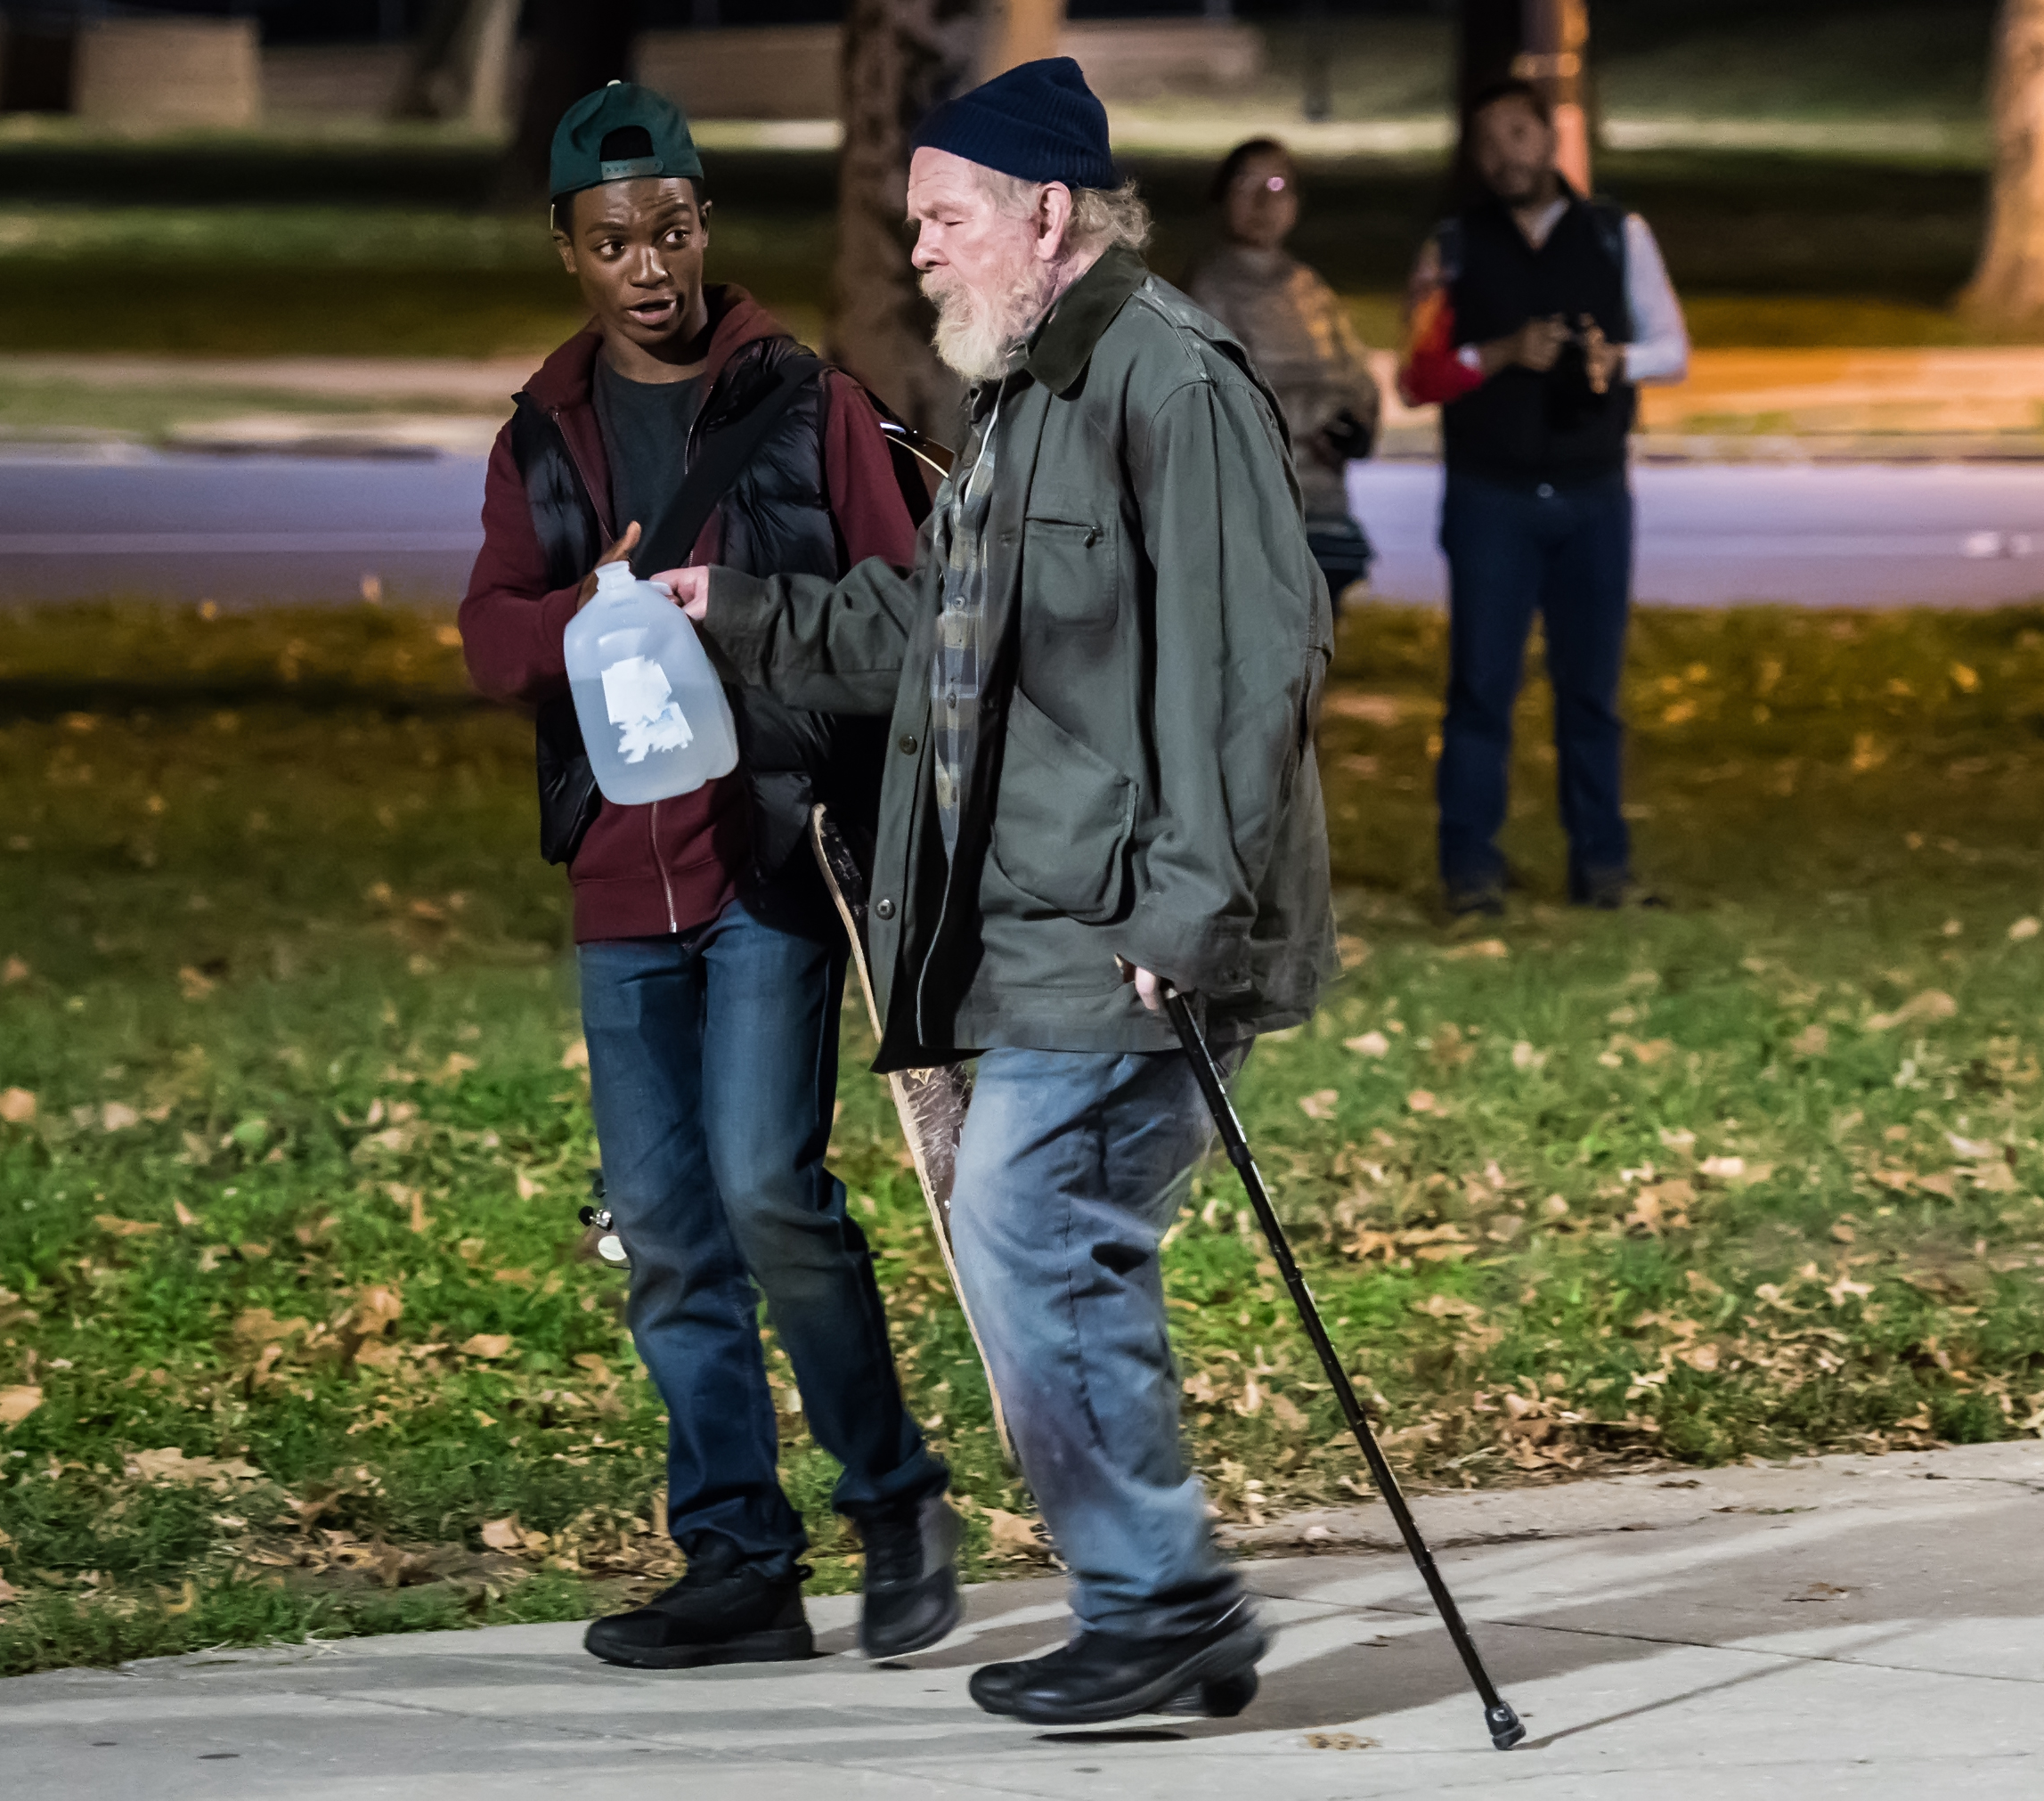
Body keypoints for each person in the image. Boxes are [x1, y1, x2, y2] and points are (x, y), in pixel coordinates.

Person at [659, 58, 1336, 1725]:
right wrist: (737, 610)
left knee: (1036, 1224)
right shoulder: (1029, 384)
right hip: (1039, 916)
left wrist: (1187, 918)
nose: (922, 252)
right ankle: (1161, 1600)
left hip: (1129, 928)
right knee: (1051, 1242)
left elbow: (1263, 660)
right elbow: (931, 638)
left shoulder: (1164, 379)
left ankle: (1162, 1597)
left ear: (1047, 213)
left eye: (943, 217)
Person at [457, 80, 959, 1672]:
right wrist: (590, 614)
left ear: (704, 227)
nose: (650, 266)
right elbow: (489, 637)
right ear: (570, 253)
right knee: (667, 1231)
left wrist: (740, 611)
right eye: (615, 242)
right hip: (620, 877)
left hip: (767, 860)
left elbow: (903, 606)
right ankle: (739, 1562)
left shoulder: (804, 404)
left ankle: (897, 1501)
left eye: (671, 229)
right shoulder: (545, 430)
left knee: (766, 1188)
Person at [1397, 77, 1690, 917]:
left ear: (1550, 139)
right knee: (1481, 689)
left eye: (1517, 136)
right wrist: (1503, 352)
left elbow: (1670, 346)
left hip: (1595, 492)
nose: (1503, 158)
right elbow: (1418, 376)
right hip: (1493, 496)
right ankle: (1470, 872)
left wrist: (1615, 363)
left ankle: (1604, 866)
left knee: (1591, 693)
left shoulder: (1613, 234)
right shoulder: (1453, 247)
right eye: (1487, 143)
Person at [1185, 138, 1384, 617]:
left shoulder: (1309, 289)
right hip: (1250, 520)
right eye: (1246, 184)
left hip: (1322, 511)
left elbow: (1360, 384)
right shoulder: (1204, 294)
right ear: (1221, 197)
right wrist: (1323, 412)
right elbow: (1225, 401)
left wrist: (1359, 427)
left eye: (1277, 185)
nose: (1263, 201)